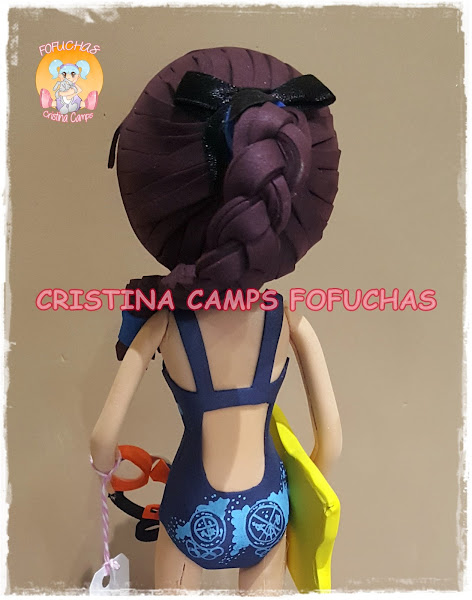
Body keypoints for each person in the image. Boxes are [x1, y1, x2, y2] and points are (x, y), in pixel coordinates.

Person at [90, 46, 342, 593]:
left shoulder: (163, 321)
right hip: (268, 510)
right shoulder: (290, 321)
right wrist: (302, 489)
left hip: (190, 509)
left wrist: (107, 470)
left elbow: (103, 437)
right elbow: (332, 444)